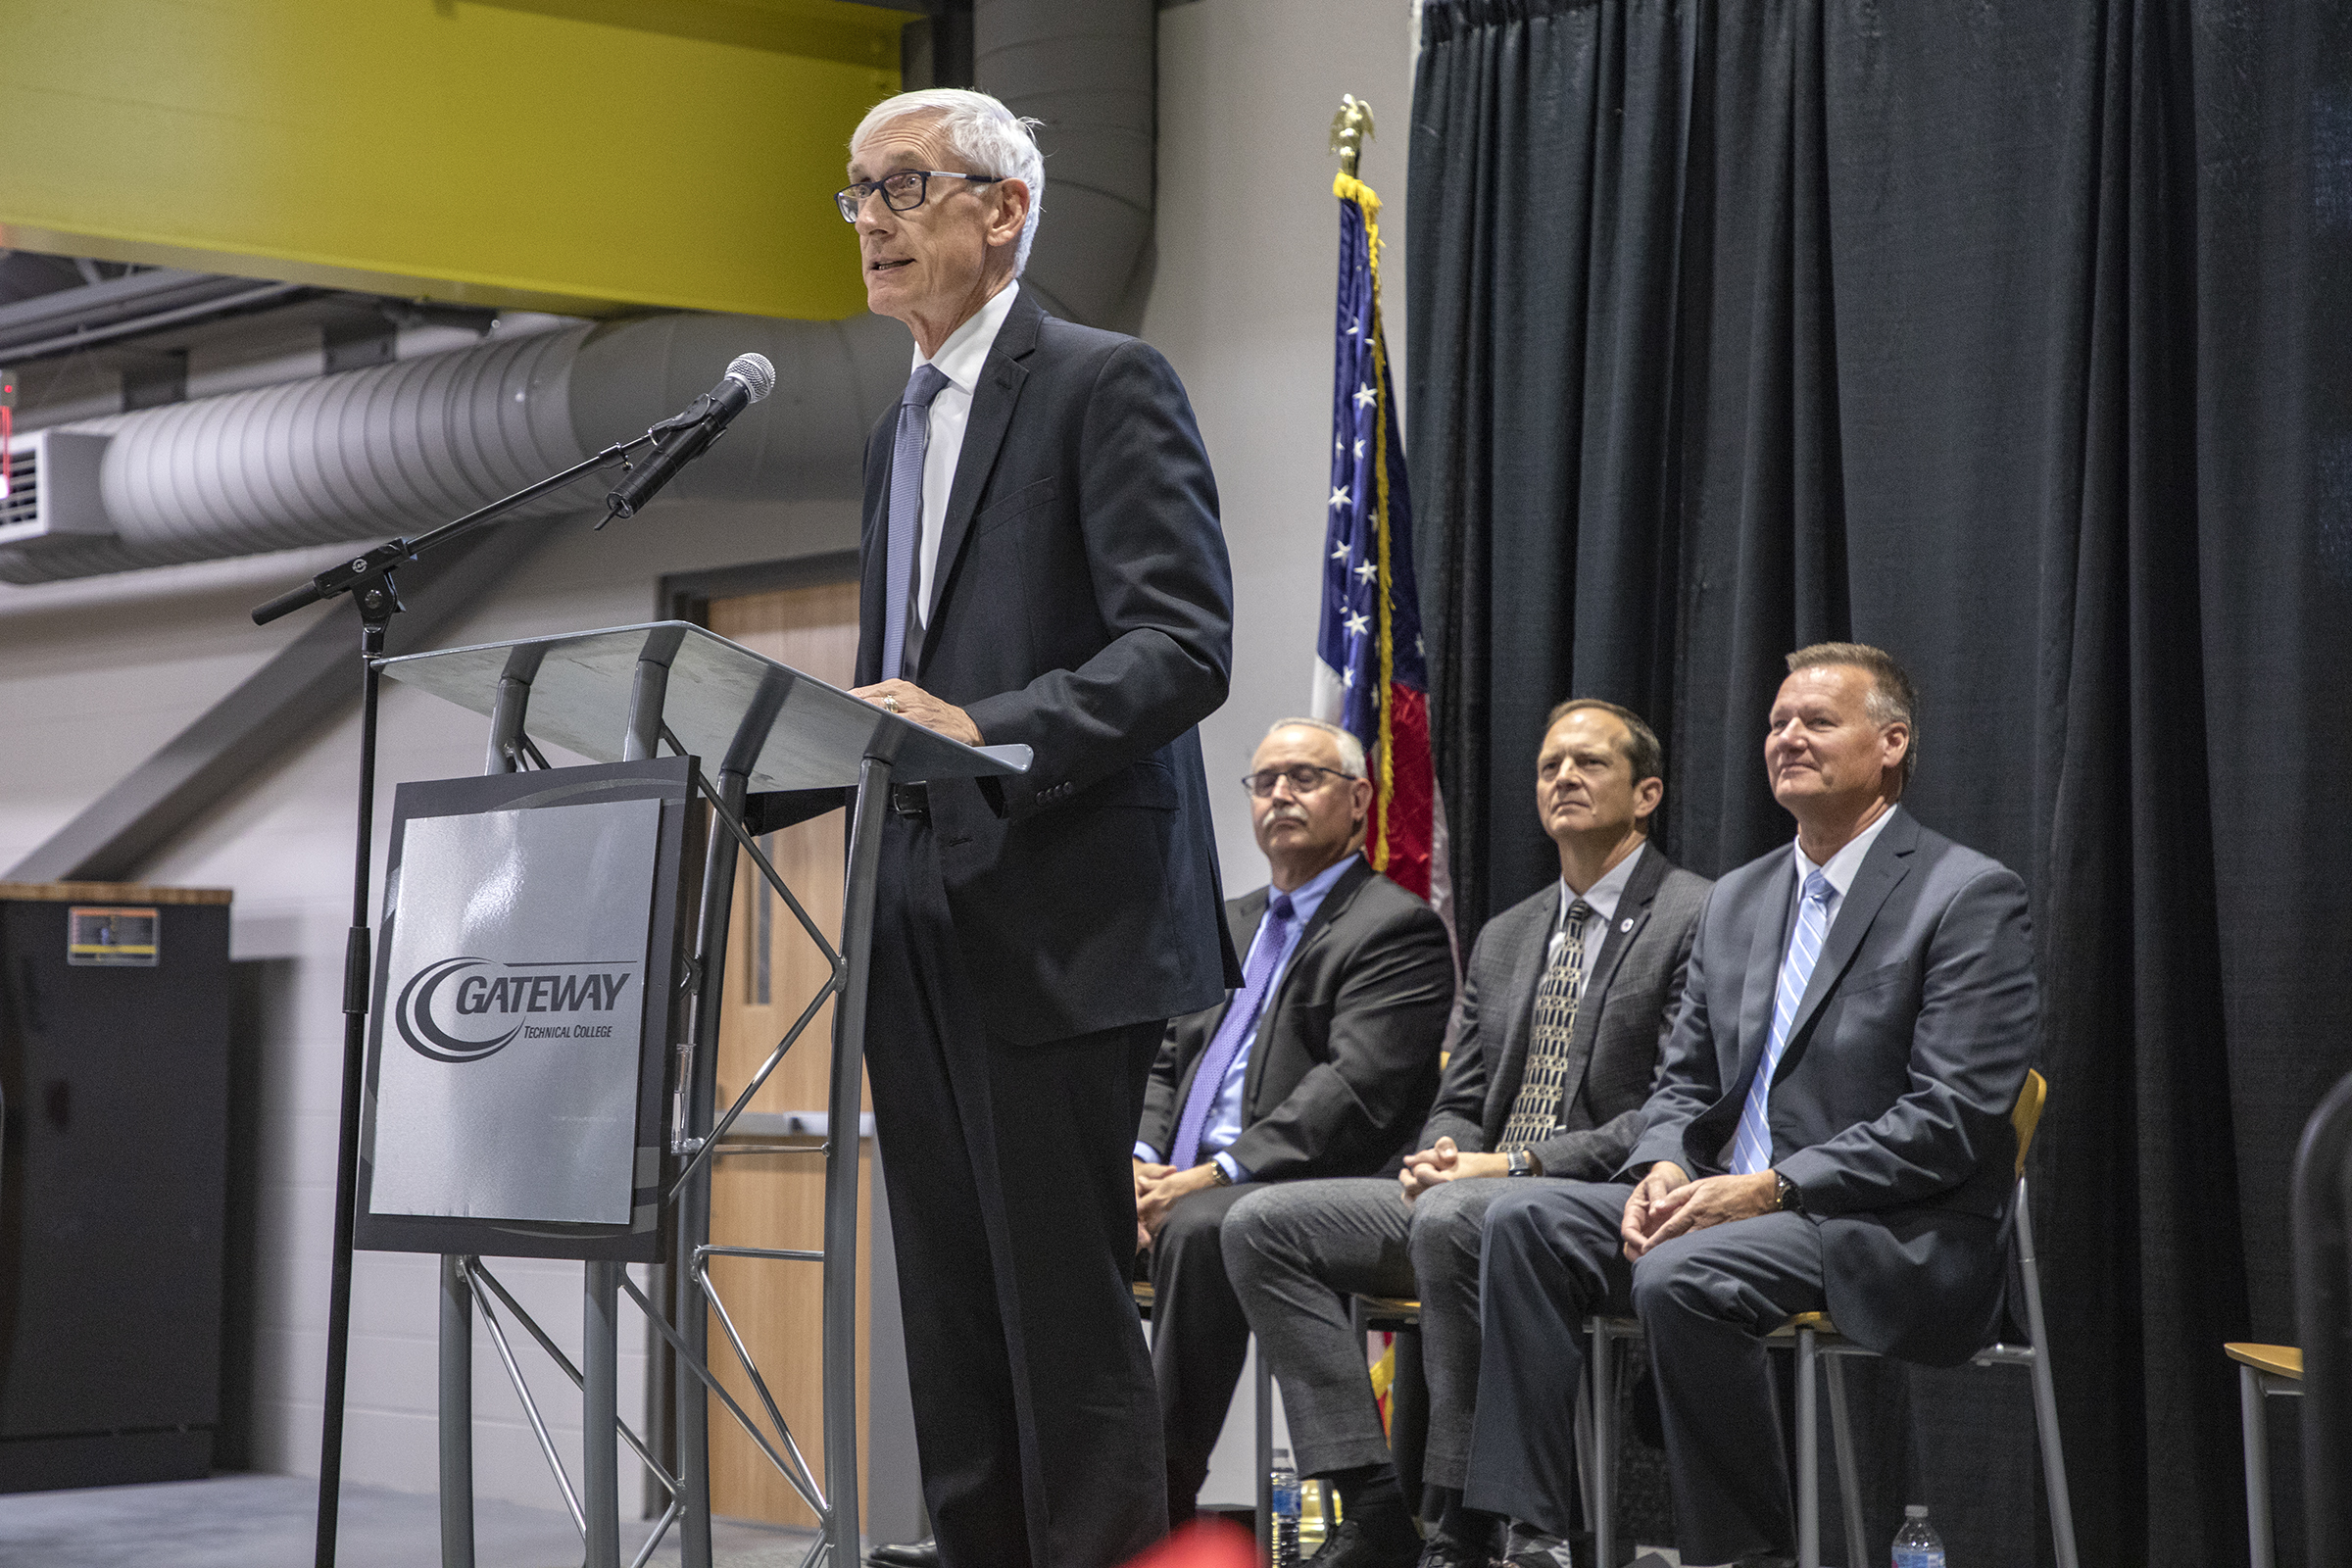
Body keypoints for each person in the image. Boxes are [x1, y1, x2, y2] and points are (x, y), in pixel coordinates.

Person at [776, 87, 1237, 1568]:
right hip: (911, 916)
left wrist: (989, 728)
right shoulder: (892, 433)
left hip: (1059, 916)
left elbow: (1183, 645)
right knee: (952, 1325)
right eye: (858, 193)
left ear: (1006, 210)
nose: (875, 222)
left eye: (906, 187)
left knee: (1062, 1324)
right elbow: (896, 678)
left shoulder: (1106, 384)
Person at [1465, 645, 2038, 1568]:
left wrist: (1771, 1188)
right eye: (1777, 723)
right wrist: (1662, 1164)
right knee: (1523, 1219)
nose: (1787, 738)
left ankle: (1742, 1556)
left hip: (1882, 1222)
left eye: (1816, 721)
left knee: (1680, 1277)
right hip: (1728, 1198)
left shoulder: (1965, 894)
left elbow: (1954, 1116)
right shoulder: (1738, 898)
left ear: (1891, 743)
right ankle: (1533, 1539)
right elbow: (1685, 1084)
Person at [1222, 701, 1710, 1568]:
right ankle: (1368, 1500)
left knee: (1462, 1218)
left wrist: (1514, 1163)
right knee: (1259, 1225)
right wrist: (1444, 1152)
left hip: (1598, 1203)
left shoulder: (1695, 916)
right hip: (1474, 1190)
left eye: (1589, 764)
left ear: (1648, 794)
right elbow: (1464, 1092)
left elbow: (1677, 1109)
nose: (1562, 777)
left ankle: (1462, 1516)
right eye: (1549, 764)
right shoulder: (1507, 934)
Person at [1135, 717, 1455, 1527]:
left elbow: (1351, 1091)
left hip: (1300, 1189)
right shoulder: (1228, 921)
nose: (1280, 793)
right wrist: (1138, 1160)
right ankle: (1027, 1498)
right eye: (1265, 780)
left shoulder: (1396, 927)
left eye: (1304, 778)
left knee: (1203, 1228)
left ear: (1357, 802)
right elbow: (1165, 1056)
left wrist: (1214, 1174)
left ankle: (1155, 1500)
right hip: (1178, 1179)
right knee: (1037, 1228)